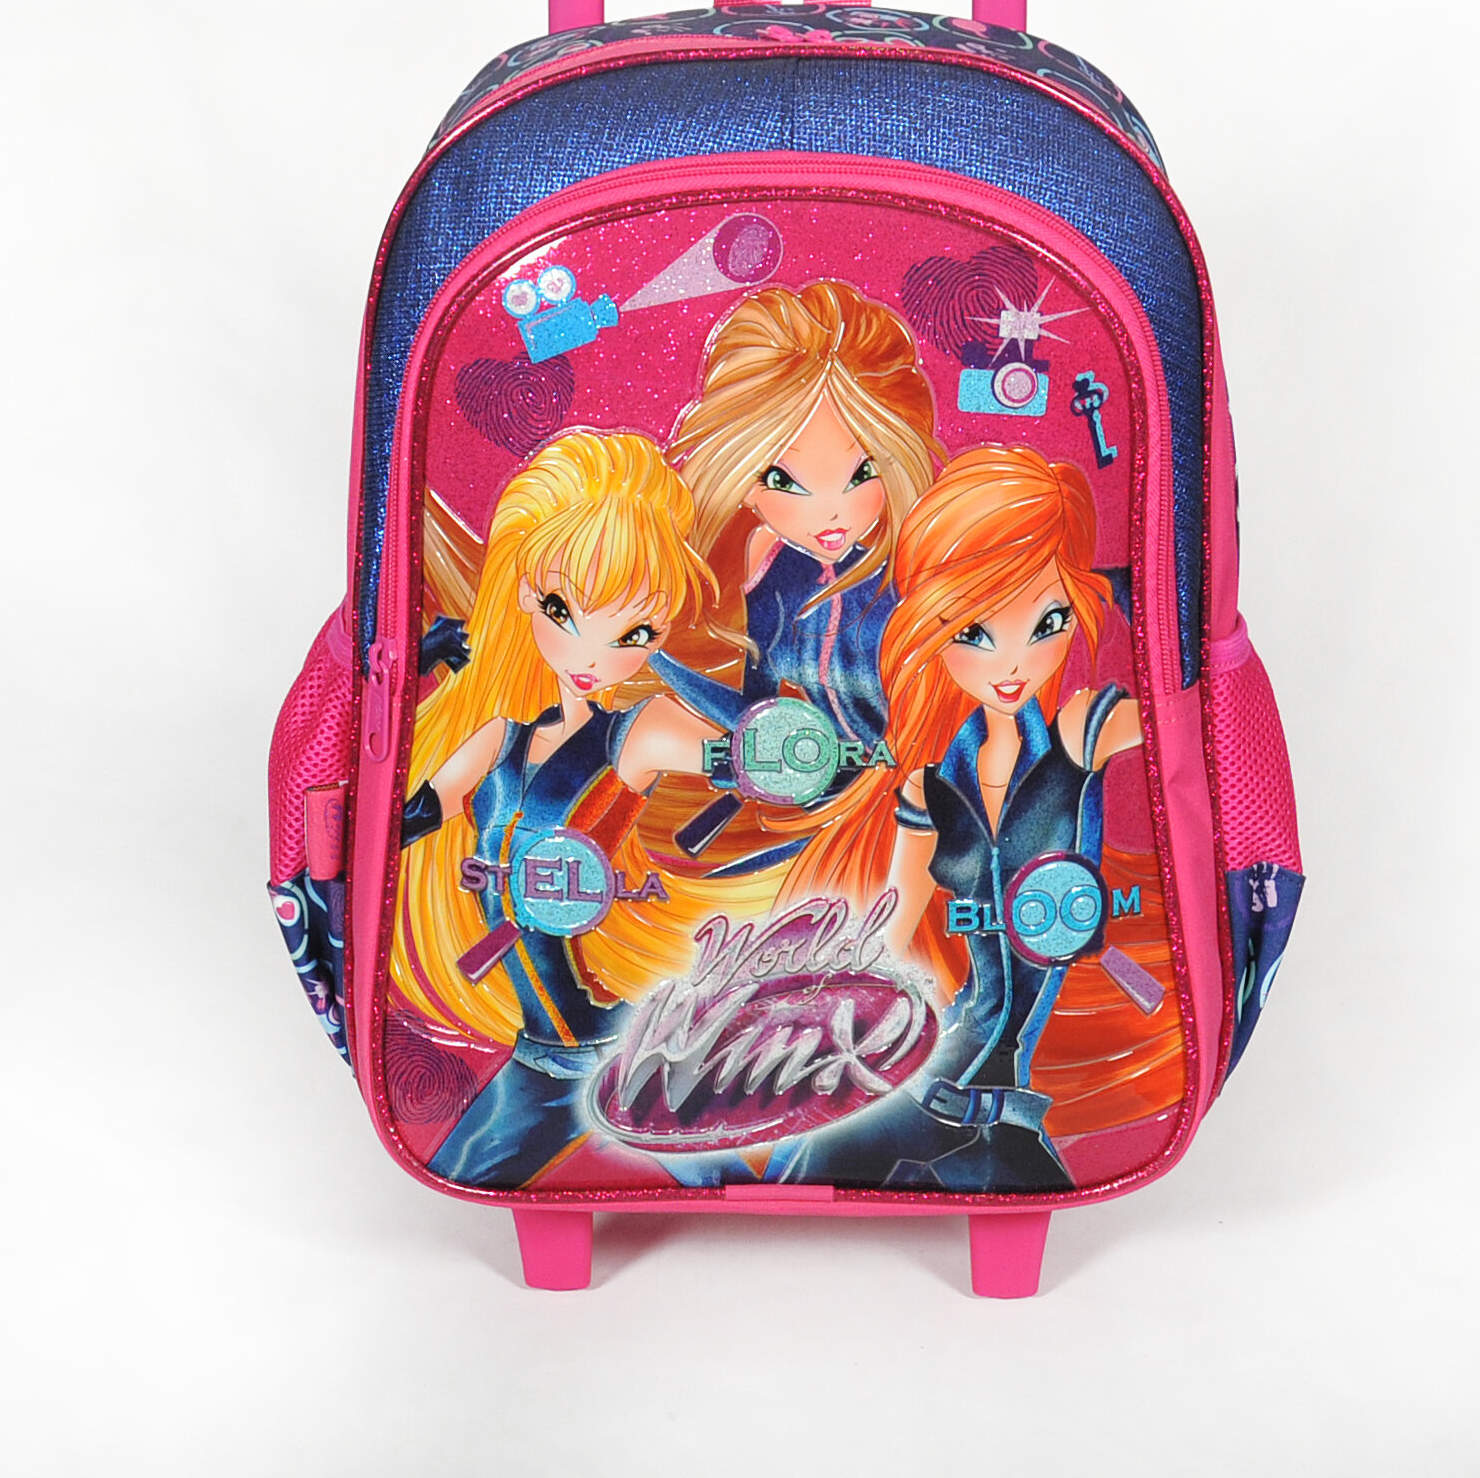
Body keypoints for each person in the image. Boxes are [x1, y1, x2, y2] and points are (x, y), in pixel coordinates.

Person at [390, 429, 773, 1190]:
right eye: (564, 610)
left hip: (618, 1052)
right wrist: (421, 658)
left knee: (736, 1185)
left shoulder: (636, 734)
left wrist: (701, 688)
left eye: (633, 632)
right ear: (523, 593)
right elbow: (410, 819)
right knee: (469, 1170)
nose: (594, 655)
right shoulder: (498, 738)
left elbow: (756, 756)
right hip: (541, 1056)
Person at [773, 446, 1142, 1192]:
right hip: (936, 1080)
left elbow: (1184, 717)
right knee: (804, 1160)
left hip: (1005, 1103)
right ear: (932, 633)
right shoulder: (932, 784)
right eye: (973, 633)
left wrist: (1141, 586)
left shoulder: (1082, 734)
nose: (1012, 663)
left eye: (1048, 621)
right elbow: (891, 921)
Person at [650, 281, 942, 844]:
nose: (830, 512)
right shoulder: (767, 559)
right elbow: (759, 698)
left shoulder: (909, 568)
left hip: (912, 802)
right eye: (783, 480)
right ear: (743, 484)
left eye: (863, 472)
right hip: (802, 784)